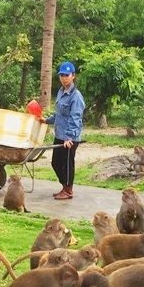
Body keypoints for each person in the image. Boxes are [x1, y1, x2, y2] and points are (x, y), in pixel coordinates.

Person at [42, 60, 84, 200]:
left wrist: (69, 137)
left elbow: (75, 118)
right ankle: (64, 186)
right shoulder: (61, 92)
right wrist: (47, 120)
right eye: (62, 75)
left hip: (69, 137)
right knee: (56, 162)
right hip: (59, 134)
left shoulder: (76, 96)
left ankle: (68, 190)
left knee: (67, 163)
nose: (64, 78)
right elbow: (59, 114)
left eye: (67, 75)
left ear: (73, 76)